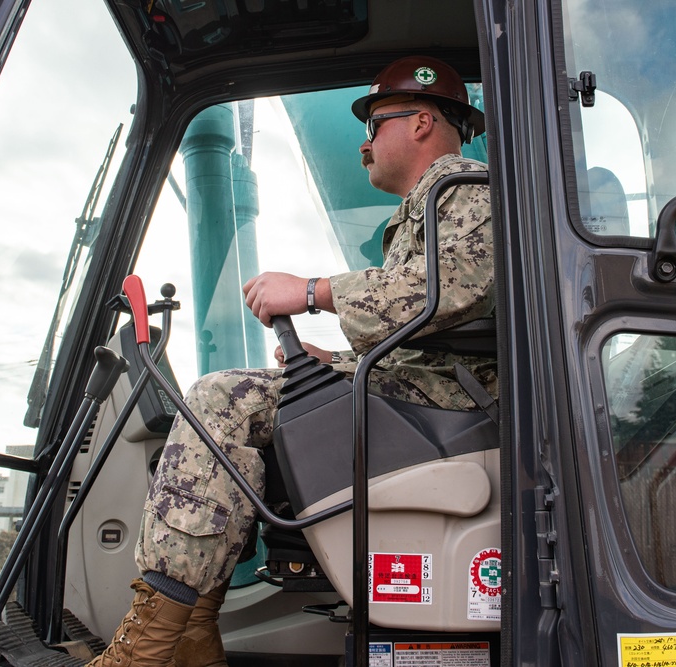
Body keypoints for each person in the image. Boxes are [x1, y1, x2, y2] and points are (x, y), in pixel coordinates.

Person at [86, 55, 495, 667]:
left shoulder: (463, 186)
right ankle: (192, 632)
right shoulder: (430, 205)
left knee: (218, 400)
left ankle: (148, 648)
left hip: (444, 402)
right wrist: (336, 359)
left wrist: (309, 292)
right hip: (418, 386)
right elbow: (426, 322)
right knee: (232, 429)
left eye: (374, 124)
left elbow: (451, 285)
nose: (364, 145)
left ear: (420, 123)